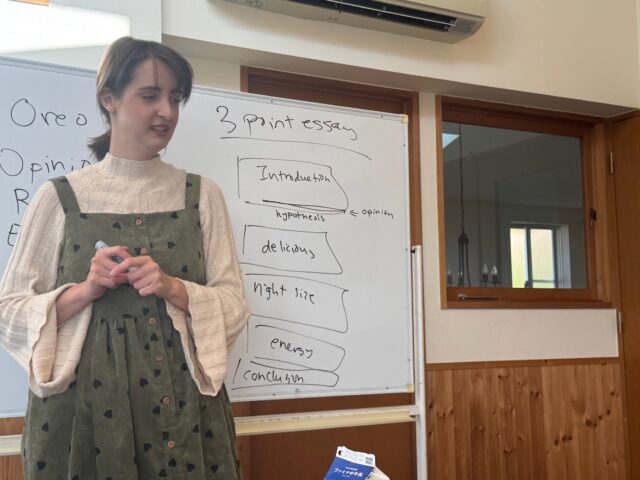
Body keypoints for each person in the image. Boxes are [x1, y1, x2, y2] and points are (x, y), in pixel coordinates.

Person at [0, 37, 249, 479]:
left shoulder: (202, 196)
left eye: (175, 98)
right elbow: (9, 311)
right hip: (82, 416)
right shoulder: (59, 197)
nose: (167, 111)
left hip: (184, 412)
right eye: (150, 95)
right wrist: (86, 290)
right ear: (109, 99)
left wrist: (174, 288)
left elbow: (234, 304)